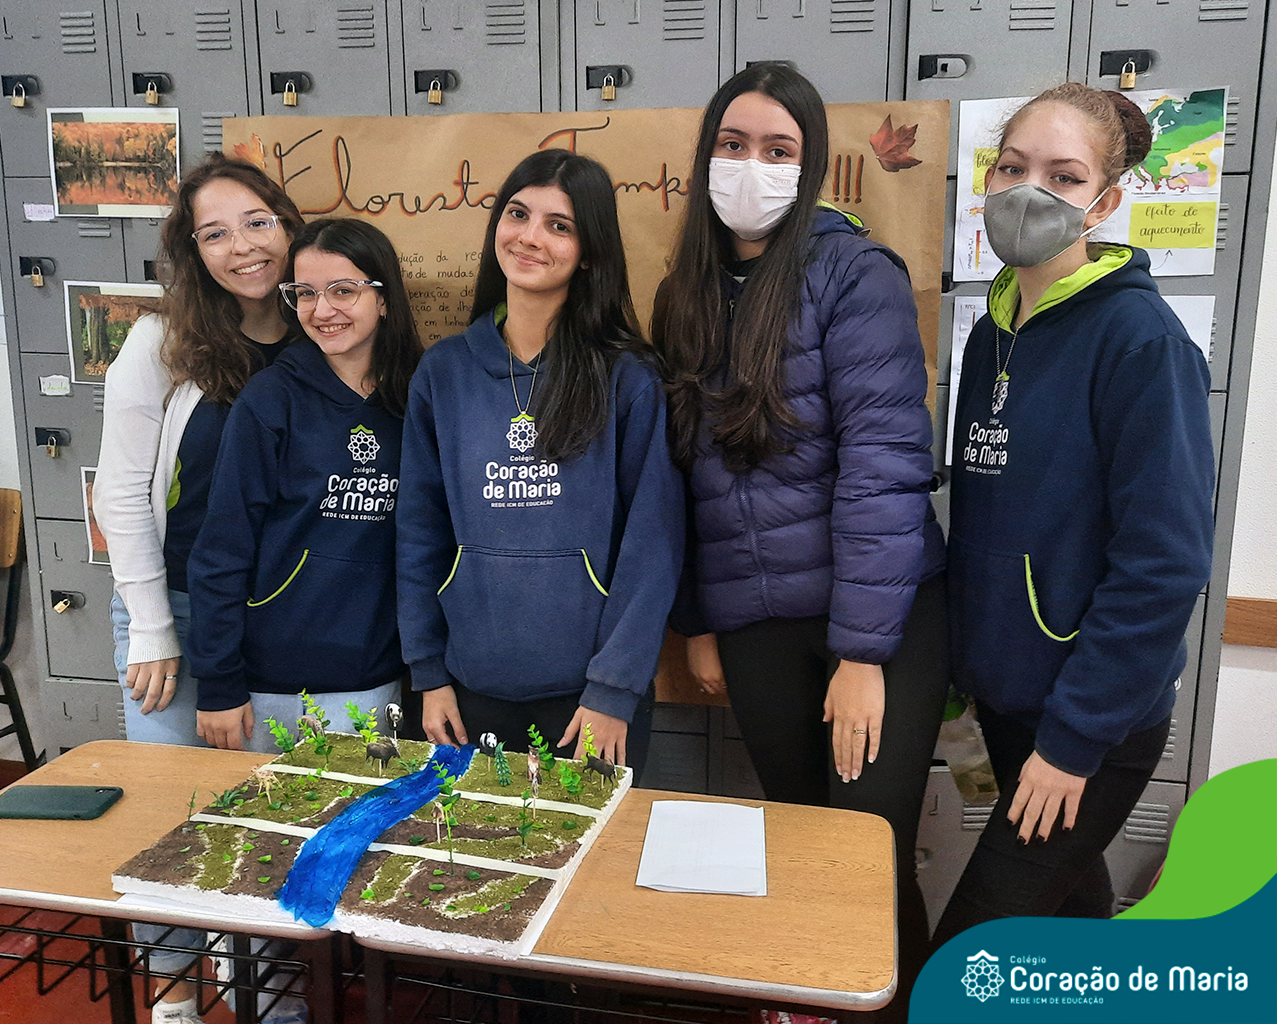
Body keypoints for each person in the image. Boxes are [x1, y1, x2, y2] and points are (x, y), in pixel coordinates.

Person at [651, 62, 947, 1016]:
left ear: (810, 165)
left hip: (877, 622)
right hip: (756, 622)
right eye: (733, 145)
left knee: (864, 855)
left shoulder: (855, 274)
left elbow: (884, 467)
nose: (752, 165)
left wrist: (862, 653)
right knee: (802, 842)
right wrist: (699, 620)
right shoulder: (685, 293)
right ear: (706, 157)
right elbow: (679, 477)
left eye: (778, 150)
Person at [931, 83, 1214, 945]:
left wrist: (1073, 740)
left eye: (1063, 176)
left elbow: (1165, 564)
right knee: (1069, 912)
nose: (1030, 192)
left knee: (968, 956)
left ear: (1105, 202)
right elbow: (988, 520)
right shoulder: (995, 327)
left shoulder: (1142, 341)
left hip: (1090, 720)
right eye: (1013, 168)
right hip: (1008, 702)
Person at [93, 153, 304, 1024]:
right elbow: (118, 491)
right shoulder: (161, 342)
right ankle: (176, 988)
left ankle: (266, 980)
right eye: (214, 234)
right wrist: (151, 625)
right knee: (167, 813)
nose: (242, 246)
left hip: (278, 615)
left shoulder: (322, 328)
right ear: (192, 252)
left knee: (270, 812)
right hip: (173, 608)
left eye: (257, 222)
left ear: (287, 225)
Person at [396, 149, 683, 778]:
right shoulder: (443, 373)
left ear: (590, 252)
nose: (529, 237)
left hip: (591, 703)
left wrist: (615, 689)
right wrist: (429, 674)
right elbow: (419, 533)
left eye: (559, 225)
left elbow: (652, 546)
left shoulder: (626, 378)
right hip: (465, 693)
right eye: (518, 214)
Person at [187, 218, 421, 757]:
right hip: (269, 683)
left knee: (357, 813)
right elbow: (222, 549)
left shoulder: (419, 398)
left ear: (384, 298)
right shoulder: (269, 399)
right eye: (305, 294)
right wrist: (219, 682)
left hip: (373, 676)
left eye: (343, 290)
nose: (322, 310)